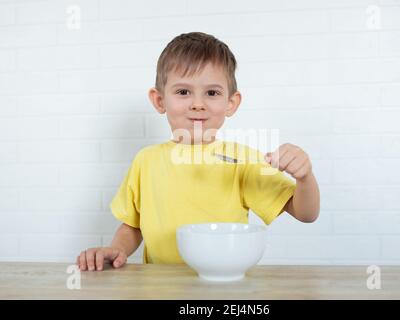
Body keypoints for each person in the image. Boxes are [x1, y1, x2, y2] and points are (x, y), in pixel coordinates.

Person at [76, 32, 320, 271]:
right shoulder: (146, 161)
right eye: (183, 92)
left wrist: (304, 177)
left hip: (223, 288)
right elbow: (133, 225)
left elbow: (305, 213)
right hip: (159, 290)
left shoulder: (242, 161)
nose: (198, 104)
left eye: (212, 93)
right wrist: (118, 249)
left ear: (230, 103)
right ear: (160, 100)